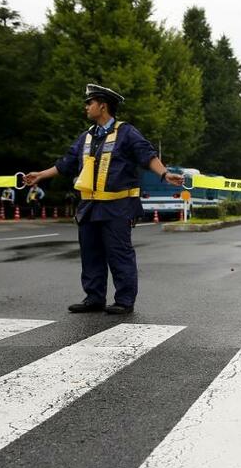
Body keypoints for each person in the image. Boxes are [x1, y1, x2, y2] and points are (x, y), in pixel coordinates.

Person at [24, 83, 184, 314]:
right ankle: (94, 298)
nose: (86, 107)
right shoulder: (86, 137)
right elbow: (66, 163)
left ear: (103, 105)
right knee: (91, 253)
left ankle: (124, 301)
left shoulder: (127, 132)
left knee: (119, 253)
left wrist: (165, 174)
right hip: (89, 206)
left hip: (117, 206)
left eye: (89, 103)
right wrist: (40, 175)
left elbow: (147, 155)